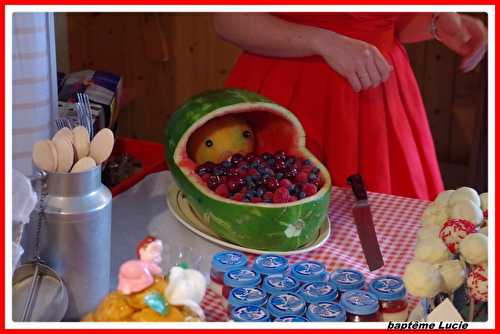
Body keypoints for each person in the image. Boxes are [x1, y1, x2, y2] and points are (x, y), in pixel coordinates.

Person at [213, 12, 487, 200]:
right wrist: (321, 41)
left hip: (379, 103)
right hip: (290, 100)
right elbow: (228, 19)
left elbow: (380, 21)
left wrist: (435, 23)